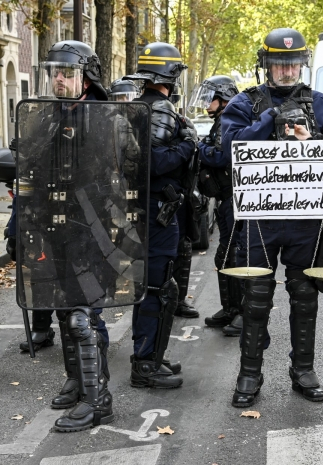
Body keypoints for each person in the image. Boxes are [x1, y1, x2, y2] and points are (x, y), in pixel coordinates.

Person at [16, 39, 145, 431]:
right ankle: (77, 381)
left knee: (82, 316)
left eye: (67, 72)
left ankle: (98, 398)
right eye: (55, 72)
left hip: (90, 229)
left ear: (86, 77)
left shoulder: (109, 118)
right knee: (60, 305)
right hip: (50, 226)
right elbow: (27, 171)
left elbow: (134, 163)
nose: (59, 79)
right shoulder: (43, 116)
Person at [221, 28, 323, 408]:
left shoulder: (322, 104)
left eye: (293, 64)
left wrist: (312, 142)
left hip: (305, 219)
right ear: (266, 64)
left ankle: (303, 369)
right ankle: (249, 373)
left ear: (302, 65)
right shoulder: (245, 103)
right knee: (256, 298)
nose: (287, 72)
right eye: (279, 63)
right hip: (259, 218)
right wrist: (270, 119)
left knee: (305, 295)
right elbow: (227, 149)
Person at [124, 42, 197, 388]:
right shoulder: (161, 107)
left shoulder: (139, 106)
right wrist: (187, 145)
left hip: (146, 212)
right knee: (157, 288)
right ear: (169, 75)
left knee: (153, 288)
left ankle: (151, 355)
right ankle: (145, 366)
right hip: (157, 215)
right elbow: (155, 163)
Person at [191, 75, 244, 336]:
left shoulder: (229, 121)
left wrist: (199, 148)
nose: (205, 103)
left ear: (222, 98)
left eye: (209, 98)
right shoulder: (222, 121)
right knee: (225, 254)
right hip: (226, 199)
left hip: (235, 198)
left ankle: (243, 313)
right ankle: (231, 308)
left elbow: (222, 155)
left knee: (235, 255)